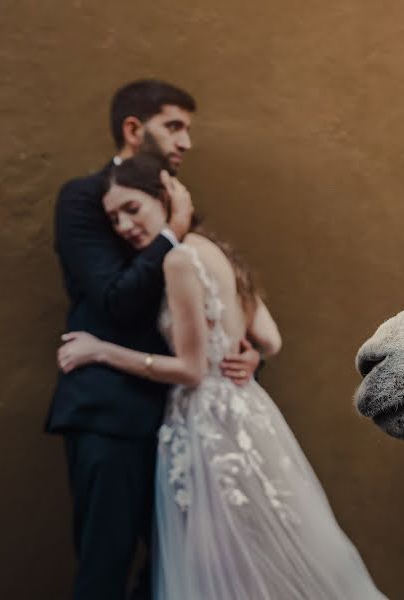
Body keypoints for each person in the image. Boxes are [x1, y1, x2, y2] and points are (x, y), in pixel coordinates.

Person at [57, 153, 386, 599]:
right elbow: (270, 339)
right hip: (246, 411)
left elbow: (191, 371)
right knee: (258, 545)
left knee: (217, 557)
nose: (123, 226)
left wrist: (101, 350)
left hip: (205, 423)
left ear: (164, 198)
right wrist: (246, 355)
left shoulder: (176, 262)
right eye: (113, 218)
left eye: (132, 209)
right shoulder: (216, 250)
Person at [47, 80, 261, 600]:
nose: (186, 141)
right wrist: (171, 232)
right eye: (174, 127)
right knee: (106, 565)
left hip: (184, 423)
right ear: (133, 129)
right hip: (110, 416)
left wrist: (243, 347)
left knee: (182, 571)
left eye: (188, 129)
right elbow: (113, 299)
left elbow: (219, 295)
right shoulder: (84, 198)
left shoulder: (177, 205)